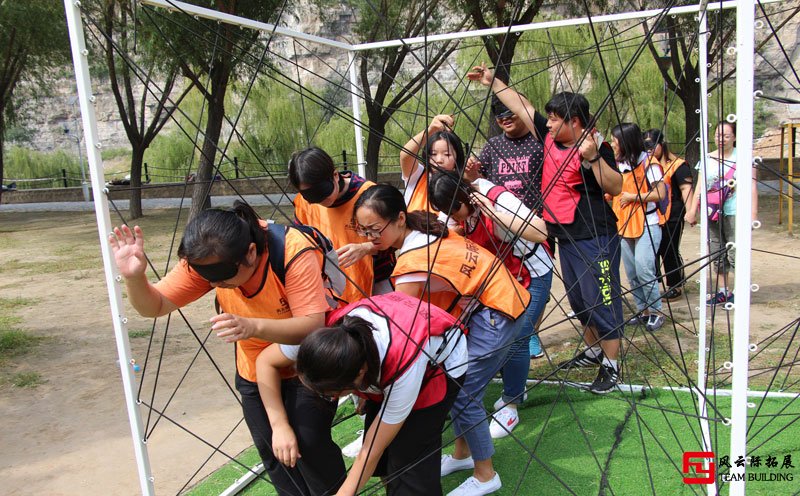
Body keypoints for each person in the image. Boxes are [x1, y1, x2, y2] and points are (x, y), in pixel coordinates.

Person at [108, 201, 344, 496]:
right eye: (210, 279)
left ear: (251, 253)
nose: (217, 284)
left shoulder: (293, 250)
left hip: (306, 366)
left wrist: (252, 326)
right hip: (255, 372)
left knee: (310, 447)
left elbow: (312, 325)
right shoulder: (208, 257)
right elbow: (154, 305)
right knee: (275, 456)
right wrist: (134, 277)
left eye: (223, 278)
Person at [353, 183, 530, 496]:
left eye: (374, 230)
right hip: (500, 300)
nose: (369, 237)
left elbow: (401, 326)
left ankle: (486, 475)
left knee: (463, 394)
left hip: (495, 314)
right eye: (362, 230)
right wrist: (371, 246)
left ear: (398, 219)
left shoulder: (411, 266)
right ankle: (462, 455)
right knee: (458, 384)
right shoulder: (430, 225)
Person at [468, 63, 624, 394]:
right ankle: (594, 351)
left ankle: (612, 366)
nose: (548, 123)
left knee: (602, 300)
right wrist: (491, 81)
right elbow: (521, 105)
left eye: (555, 119)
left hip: (595, 236)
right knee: (580, 301)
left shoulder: (596, 147)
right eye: (549, 118)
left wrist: (594, 158)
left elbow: (617, 185)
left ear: (575, 122)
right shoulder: (550, 137)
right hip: (564, 236)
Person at [255, 291, 468, 495]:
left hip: (439, 366)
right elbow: (265, 362)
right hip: (384, 359)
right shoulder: (325, 340)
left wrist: (345, 493)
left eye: (333, 394)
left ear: (360, 375)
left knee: (409, 457)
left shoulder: (403, 365)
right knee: (385, 457)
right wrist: (279, 425)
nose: (331, 399)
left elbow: (371, 450)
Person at [428, 170, 552, 439]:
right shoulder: (455, 211)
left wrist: (493, 213)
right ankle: (504, 388)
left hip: (531, 274)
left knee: (517, 339)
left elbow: (541, 232)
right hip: (501, 279)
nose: (454, 216)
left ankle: (511, 403)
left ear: (465, 195)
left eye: (456, 209)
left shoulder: (495, 197)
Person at [469, 95, 548, 358]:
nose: (505, 120)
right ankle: (516, 336)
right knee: (512, 281)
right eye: (499, 117)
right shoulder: (492, 146)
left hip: (535, 224)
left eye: (509, 114)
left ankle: (530, 332)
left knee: (538, 283)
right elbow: (482, 180)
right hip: (501, 228)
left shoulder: (540, 142)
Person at [289, 146, 394, 301]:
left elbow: (396, 239)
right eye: (313, 198)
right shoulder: (303, 203)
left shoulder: (369, 196)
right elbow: (300, 242)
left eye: (324, 194)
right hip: (330, 287)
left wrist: (365, 248)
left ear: (335, 176)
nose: (322, 202)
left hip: (376, 282)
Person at [684, 121, 758, 305]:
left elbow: (752, 186)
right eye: (718, 135)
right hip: (712, 212)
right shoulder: (707, 158)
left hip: (735, 212)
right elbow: (699, 186)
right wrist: (692, 210)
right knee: (717, 251)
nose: (721, 139)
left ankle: (739, 291)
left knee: (735, 252)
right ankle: (723, 291)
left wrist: (752, 216)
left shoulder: (744, 157)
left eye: (726, 136)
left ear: (734, 137)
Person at [609, 123, 667, 332]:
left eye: (615, 140)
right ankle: (643, 311)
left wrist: (634, 197)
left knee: (644, 268)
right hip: (624, 224)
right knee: (632, 271)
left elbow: (659, 193)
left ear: (625, 142)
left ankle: (656, 312)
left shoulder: (648, 164)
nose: (613, 144)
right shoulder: (619, 164)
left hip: (647, 223)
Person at [643, 129, 694, 299]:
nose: (648, 149)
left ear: (661, 144)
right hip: (652, 214)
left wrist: (691, 211)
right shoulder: (646, 165)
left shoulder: (678, 165)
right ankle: (654, 283)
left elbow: (686, 188)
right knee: (653, 249)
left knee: (670, 248)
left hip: (673, 213)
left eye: (652, 145)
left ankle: (676, 284)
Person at [400, 114, 466, 213]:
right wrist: (430, 130)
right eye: (433, 154)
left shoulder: (463, 185)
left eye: (447, 154)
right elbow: (405, 155)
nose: (439, 160)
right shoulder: (418, 176)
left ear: (458, 157)